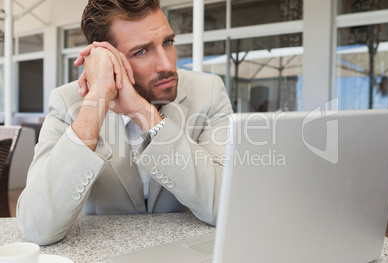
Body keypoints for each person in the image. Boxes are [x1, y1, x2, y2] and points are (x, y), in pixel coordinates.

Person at [17, 0, 232, 245]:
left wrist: (144, 114)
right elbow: (37, 227)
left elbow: (226, 206)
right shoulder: (67, 103)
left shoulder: (209, 92)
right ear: (107, 59)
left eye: (167, 42)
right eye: (141, 51)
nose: (166, 65)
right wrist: (97, 99)